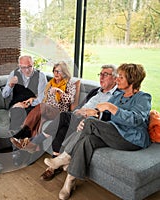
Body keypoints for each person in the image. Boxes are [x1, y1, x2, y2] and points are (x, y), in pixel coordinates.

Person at [45, 63, 151, 200]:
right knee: (87, 140)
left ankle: (65, 157)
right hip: (114, 132)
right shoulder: (118, 96)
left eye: (121, 77)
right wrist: (94, 115)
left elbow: (136, 119)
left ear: (132, 80)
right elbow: (105, 115)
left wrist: (111, 108)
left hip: (131, 139)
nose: (117, 79)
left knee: (89, 123)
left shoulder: (143, 98)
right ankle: (69, 182)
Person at [39, 64, 119, 181]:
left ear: (115, 78)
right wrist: (77, 112)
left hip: (91, 122)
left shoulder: (116, 96)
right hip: (78, 117)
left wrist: (86, 114)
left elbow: (109, 117)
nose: (101, 77)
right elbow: (82, 105)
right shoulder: (95, 91)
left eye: (105, 75)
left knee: (63, 117)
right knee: (62, 125)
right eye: (100, 74)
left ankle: (40, 144)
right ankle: (55, 163)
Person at [10, 61, 77, 153]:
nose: (56, 73)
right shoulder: (50, 83)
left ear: (65, 72)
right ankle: (31, 146)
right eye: (54, 71)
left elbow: (70, 100)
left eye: (59, 71)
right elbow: (44, 97)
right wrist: (33, 98)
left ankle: (23, 132)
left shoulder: (70, 84)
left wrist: (59, 92)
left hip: (59, 111)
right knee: (38, 118)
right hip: (47, 109)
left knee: (42, 106)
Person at [2, 55, 47, 166]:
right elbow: (4, 95)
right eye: (23, 67)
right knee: (17, 112)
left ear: (33, 65)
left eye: (29, 67)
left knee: (29, 116)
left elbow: (42, 98)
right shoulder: (14, 74)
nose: (27, 70)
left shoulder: (41, 76)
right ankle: (18, 152)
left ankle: (22, 150)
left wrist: (27, 104)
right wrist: (10, 85)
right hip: (16, 104)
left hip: (32, 105)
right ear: (19, 66)